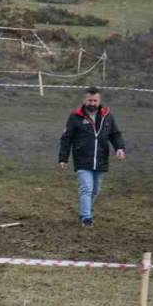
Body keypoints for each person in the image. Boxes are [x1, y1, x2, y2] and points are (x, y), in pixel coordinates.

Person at [58, 86, 125, 227]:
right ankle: (86, 218)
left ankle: (85, 210)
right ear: (85, 100)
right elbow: (66, 138)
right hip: (82, 159)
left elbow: (115, 134)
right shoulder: (75, 116)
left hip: (101, 159)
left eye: (95, 100)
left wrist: (119, 148)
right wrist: (63, 158)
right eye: (90, 100)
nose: (93, 103)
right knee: (86, 188)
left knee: (95, 190)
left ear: (99, 100)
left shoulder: (107, 116)